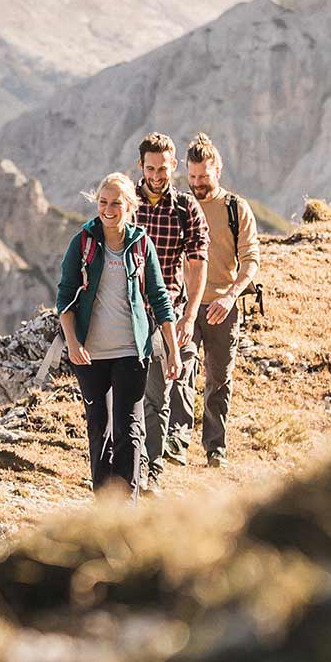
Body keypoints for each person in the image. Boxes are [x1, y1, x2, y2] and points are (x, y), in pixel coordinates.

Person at [55, 172, 181, 494]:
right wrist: (72, 343)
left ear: (130, 206)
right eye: (103, 202)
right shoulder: (82, 242)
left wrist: (173, 351)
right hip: (90, 354)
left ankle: (127, 507)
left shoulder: (141, 244)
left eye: (116, 203)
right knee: (100, 429)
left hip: (131, 351)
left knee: (130, 429)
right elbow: (65, 297)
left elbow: (159, 296)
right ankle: (104, 509)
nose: (108, 210)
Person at [132, 132, 209, 483]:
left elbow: (197, 263)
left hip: (166, 312)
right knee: (121, 393)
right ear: (140, 166)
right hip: (124, 311)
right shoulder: (126, 202)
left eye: (163, 169)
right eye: (150, 168)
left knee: (156, 395)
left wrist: (189, 316)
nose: (157, 175)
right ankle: (123, 467)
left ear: (174, 166)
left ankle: (151, 471)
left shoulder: (185, 209)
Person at [185, 133, 260, 468]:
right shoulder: (181, 207)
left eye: (204, 176)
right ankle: (175, 441)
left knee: (219, 380)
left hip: (222, 307)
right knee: (180, 370)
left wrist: (230, 298)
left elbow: (251, 259)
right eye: (192, 177)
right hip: (184, 305)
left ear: (218, 170)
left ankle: (215, 448)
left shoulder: (235, 209)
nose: (198, 184)